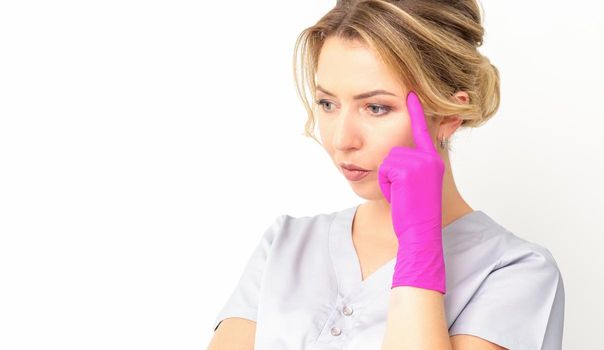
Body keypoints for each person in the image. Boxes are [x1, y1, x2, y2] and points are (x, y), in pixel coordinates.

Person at [207, 1, 565, 349]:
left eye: (376, 107)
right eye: (328, 104)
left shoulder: (515, 273)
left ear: (448, 115)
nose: (341, 139)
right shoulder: (283, 247)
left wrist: (418, 248)